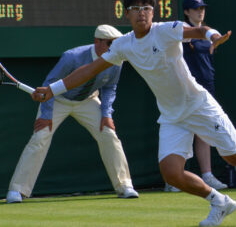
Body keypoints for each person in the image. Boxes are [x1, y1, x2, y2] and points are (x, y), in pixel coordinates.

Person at [32, 0, 236, 226]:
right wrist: (53, 90)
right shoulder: (124, 45)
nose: (142, 13)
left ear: (154, 12)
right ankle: (219, 202)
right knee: (171, 173)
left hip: (198, 105)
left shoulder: (167, 30)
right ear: (126, 14)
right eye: (136, 8)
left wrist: (213, 36)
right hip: (172, 116)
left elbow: (198, 29)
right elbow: (89, 70)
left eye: (147, 8)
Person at [6, 24, 139, 204]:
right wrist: (46, 115)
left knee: (108, 134)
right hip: (58, 100)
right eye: (109, 43)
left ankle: (124, 185)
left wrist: (107, 113)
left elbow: (109, 87)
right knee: (40, 136)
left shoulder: (116, 60)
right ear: (97, 42)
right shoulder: (72, 57)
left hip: (88, 100)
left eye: (116, 44)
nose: (113, 48)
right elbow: (50, 83)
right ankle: (17, 190)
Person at [165, 0, 230, 193]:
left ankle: (207, 175)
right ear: (186, 12)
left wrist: (217, 39)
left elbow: (211, 35)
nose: (200, 11)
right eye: (195, 8)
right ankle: (174, 178)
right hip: (184, 88)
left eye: (202, 7)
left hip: (206, 86)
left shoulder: (207, 32)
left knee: (204, 131)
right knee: (182, 131)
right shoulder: (181, 32)